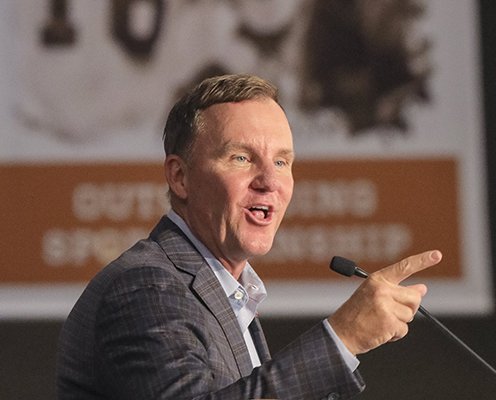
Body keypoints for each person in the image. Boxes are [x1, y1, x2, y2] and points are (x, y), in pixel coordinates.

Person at [56, 74, 442, 399]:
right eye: (241, 158)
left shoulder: (225, 291)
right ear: (180, 177)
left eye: (281, 161)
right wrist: (342, 338)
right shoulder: (147, 286)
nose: (269, 181)